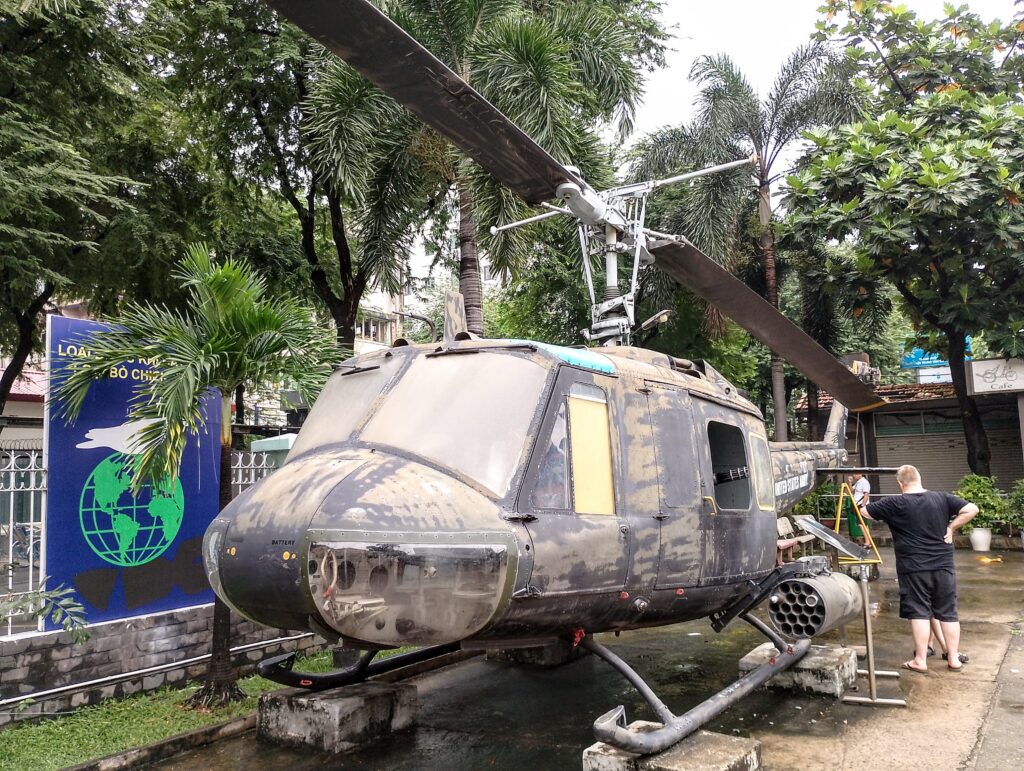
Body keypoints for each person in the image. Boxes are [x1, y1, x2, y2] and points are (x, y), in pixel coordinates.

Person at [863, 464, 978, 673]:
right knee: (948, 612)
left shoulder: (894, 503)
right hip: (943, 565)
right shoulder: (942, 498)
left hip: (913, 567)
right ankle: (953, 657)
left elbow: (864, 512)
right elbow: (972, 509)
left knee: (920, 613)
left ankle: (920, 660)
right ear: (919, 478)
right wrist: (951, 527)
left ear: (900, 484)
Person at [848, 472, 871, 545]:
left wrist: (863, 505)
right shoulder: (858, 482)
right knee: (863, 524)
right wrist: (850, 483)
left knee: (862, 524)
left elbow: (866, 494)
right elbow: (851, 491)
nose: (853, 475)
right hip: (857, 504)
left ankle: (867, 542)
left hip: (861, 505)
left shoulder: (864, 482)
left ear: (859, 474)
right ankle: (868, 541)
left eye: (855, 474)